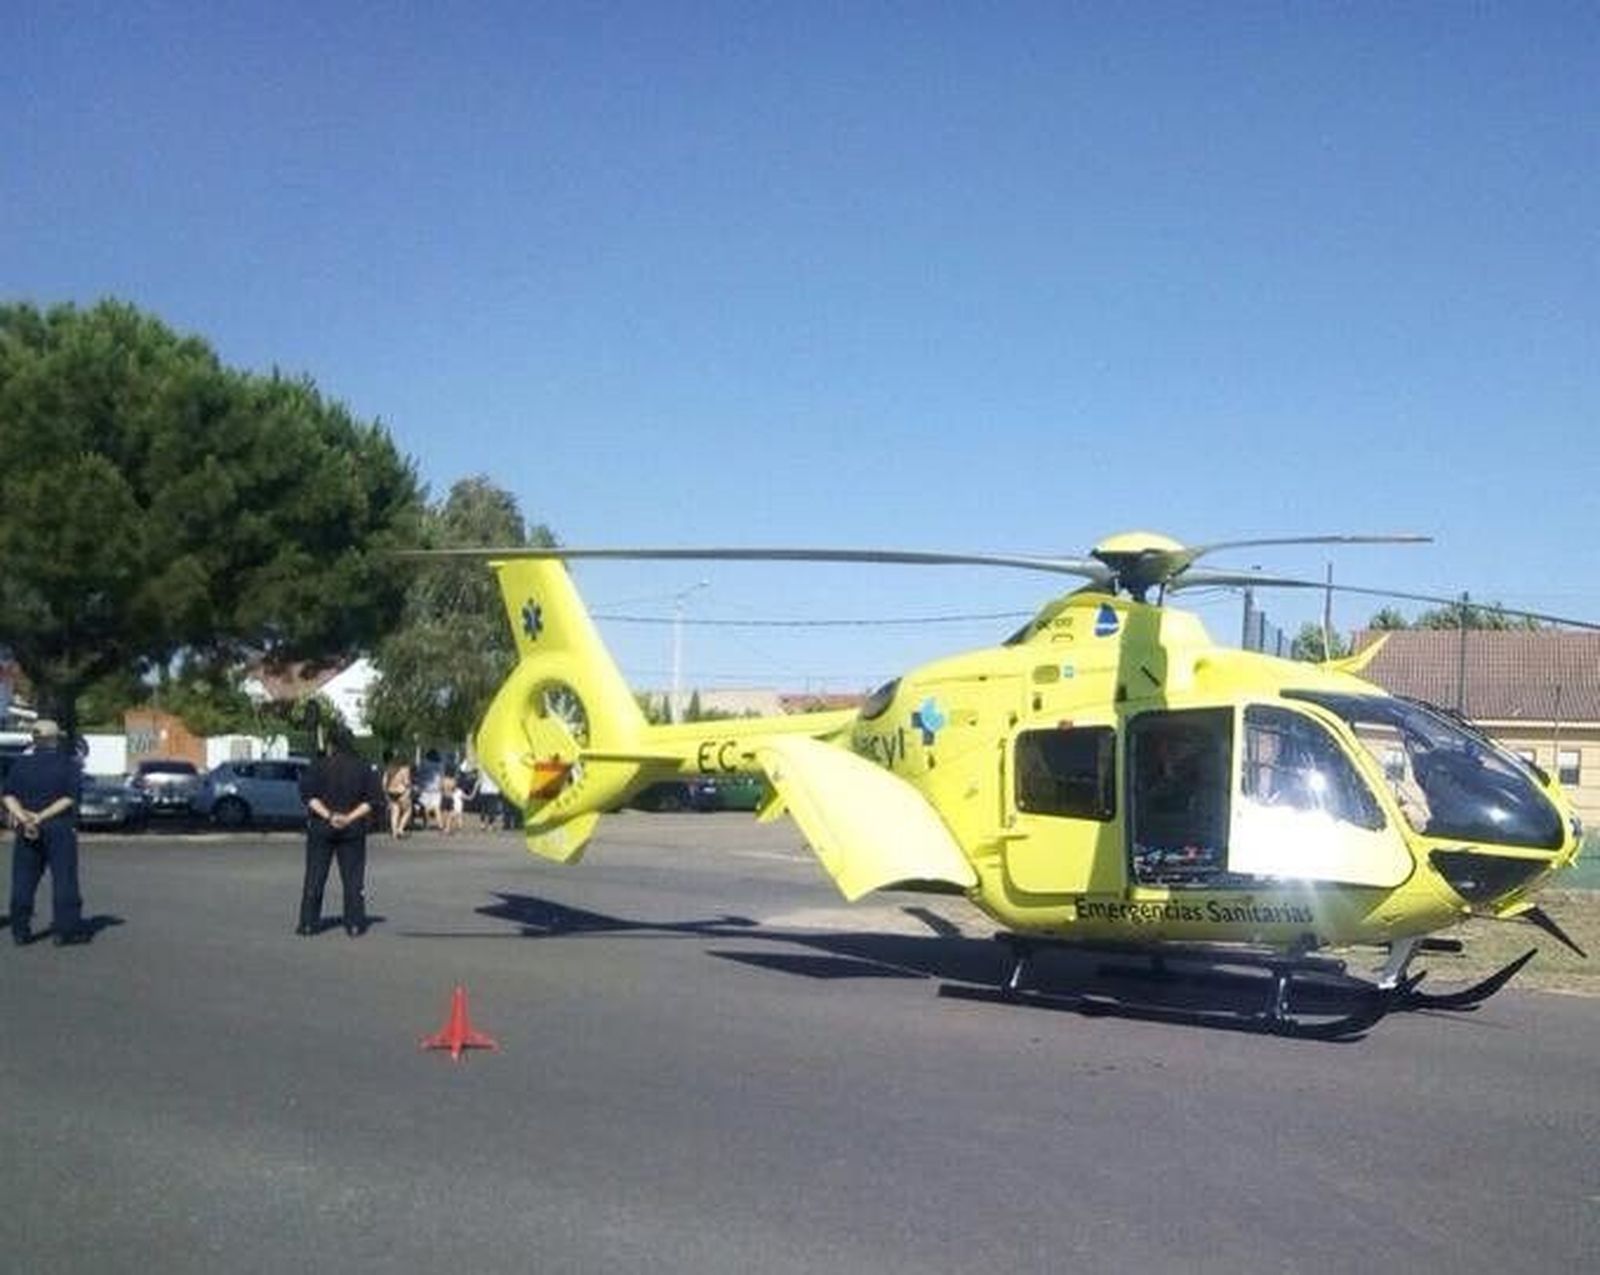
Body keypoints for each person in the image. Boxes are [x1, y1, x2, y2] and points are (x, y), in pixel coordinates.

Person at [2, 719, 90, 946]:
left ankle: (20, 930)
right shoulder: (68, 764)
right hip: (58, 826)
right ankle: (65, 929)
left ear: (34, 739)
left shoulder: (21, 764)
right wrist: (41, 817)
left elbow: (8, 794)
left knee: (23, 879)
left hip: (26, 826)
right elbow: (69, 797)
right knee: (64, 878)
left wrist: (23, 817)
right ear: (56, 739)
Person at [297, 728, 385, 937]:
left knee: (315, 875)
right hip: (352, 828)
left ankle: (308, 923)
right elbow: (371, 801)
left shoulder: (319, 766)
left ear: (331, 744)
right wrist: (349, 817)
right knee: (353, 878)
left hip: (321, 826)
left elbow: (309, 797)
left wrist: (329, 815)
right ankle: (354, 924)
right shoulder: (364, 768)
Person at [382, 751, 412, 838]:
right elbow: (406, 782)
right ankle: (400, 829)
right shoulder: (405, 768)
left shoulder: (390, 768)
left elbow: (384, 782)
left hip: (391, 792)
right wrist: (409, 788)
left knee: (395, 813)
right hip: (401, 792)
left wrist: (386, 792)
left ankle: (394, 832)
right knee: (408, 811)